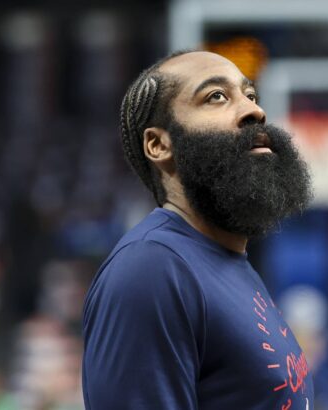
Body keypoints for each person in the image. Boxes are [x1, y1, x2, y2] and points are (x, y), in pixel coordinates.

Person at [81, 50, 314, 409]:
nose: (255, 111)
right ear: (159, 145)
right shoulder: (152, 268)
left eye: (250, 95)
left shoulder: (227, 261)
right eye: (216, 96)